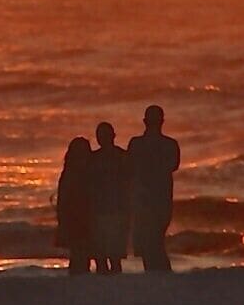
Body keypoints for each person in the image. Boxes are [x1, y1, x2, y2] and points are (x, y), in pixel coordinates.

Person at [126, 105, 181, 272]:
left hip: (144, 200)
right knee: (154, 242)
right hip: (160, 200)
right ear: (162, 121)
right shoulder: (170, 144)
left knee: (150, 243)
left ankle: (160, 275)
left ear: (144, 121)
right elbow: (173, 165)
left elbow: (129, 169)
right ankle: (161, 276)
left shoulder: (136, 144)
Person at [87, 121, 133, 273]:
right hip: (108, 211)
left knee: (108, 256)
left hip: (108, 211)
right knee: (110, 256)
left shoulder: (94, 159)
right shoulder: (122, 156)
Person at [54, 136, 95, 273]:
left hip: (77, 218)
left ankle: (77, 275)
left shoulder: (70, 172)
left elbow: (62, 201)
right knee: (81, 253)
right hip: (78, 218)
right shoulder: (79, 173)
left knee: (79, 253)